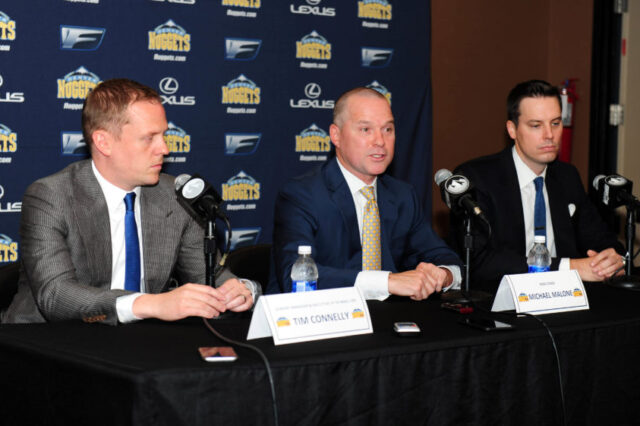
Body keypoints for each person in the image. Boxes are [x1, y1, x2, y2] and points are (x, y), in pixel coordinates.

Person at [2, 78, 258, 325]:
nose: (165, 148)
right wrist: (151, 304)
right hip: (45, 344)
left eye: (163, 135)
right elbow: (56, 295)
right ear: (104, 142)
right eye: (149, 138)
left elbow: (210, 277)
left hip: (139, 345)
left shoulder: (175, 197)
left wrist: (241, 290)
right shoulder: (51, 196)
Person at [269, 87, 462, 300]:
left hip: (388, 322)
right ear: (336, 135)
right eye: (365, 130)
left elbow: (444, 257)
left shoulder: (402, 195)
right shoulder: (301, 196)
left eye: (387, 130)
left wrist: (443, 275)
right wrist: (387, 282)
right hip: (321, 322)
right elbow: (296, 278)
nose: (380, 141)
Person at [449, 79, 624, 293]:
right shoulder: (477, 178)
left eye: (556, 123)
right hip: (502, 301)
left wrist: (612, 258)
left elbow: (601, 239)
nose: (549, 135)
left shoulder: (567, 176)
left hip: (565, 298)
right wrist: (570, 267)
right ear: (512, 129)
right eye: (536, 125)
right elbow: (482, 262)